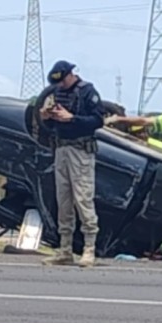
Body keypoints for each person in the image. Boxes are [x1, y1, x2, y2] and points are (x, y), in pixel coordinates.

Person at [34, 60, 105, 267]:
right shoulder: (56, 93)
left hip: (80, 150)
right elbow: (49, 126)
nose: (61, 86)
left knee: (83, 199)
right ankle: (65, 249)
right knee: (63, 201)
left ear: (70, 75)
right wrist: (47, 117)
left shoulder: (87, 92)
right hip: (61, 149)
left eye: (63, 81)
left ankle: (89, 248)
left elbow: (97, 120)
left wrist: (72, 118)